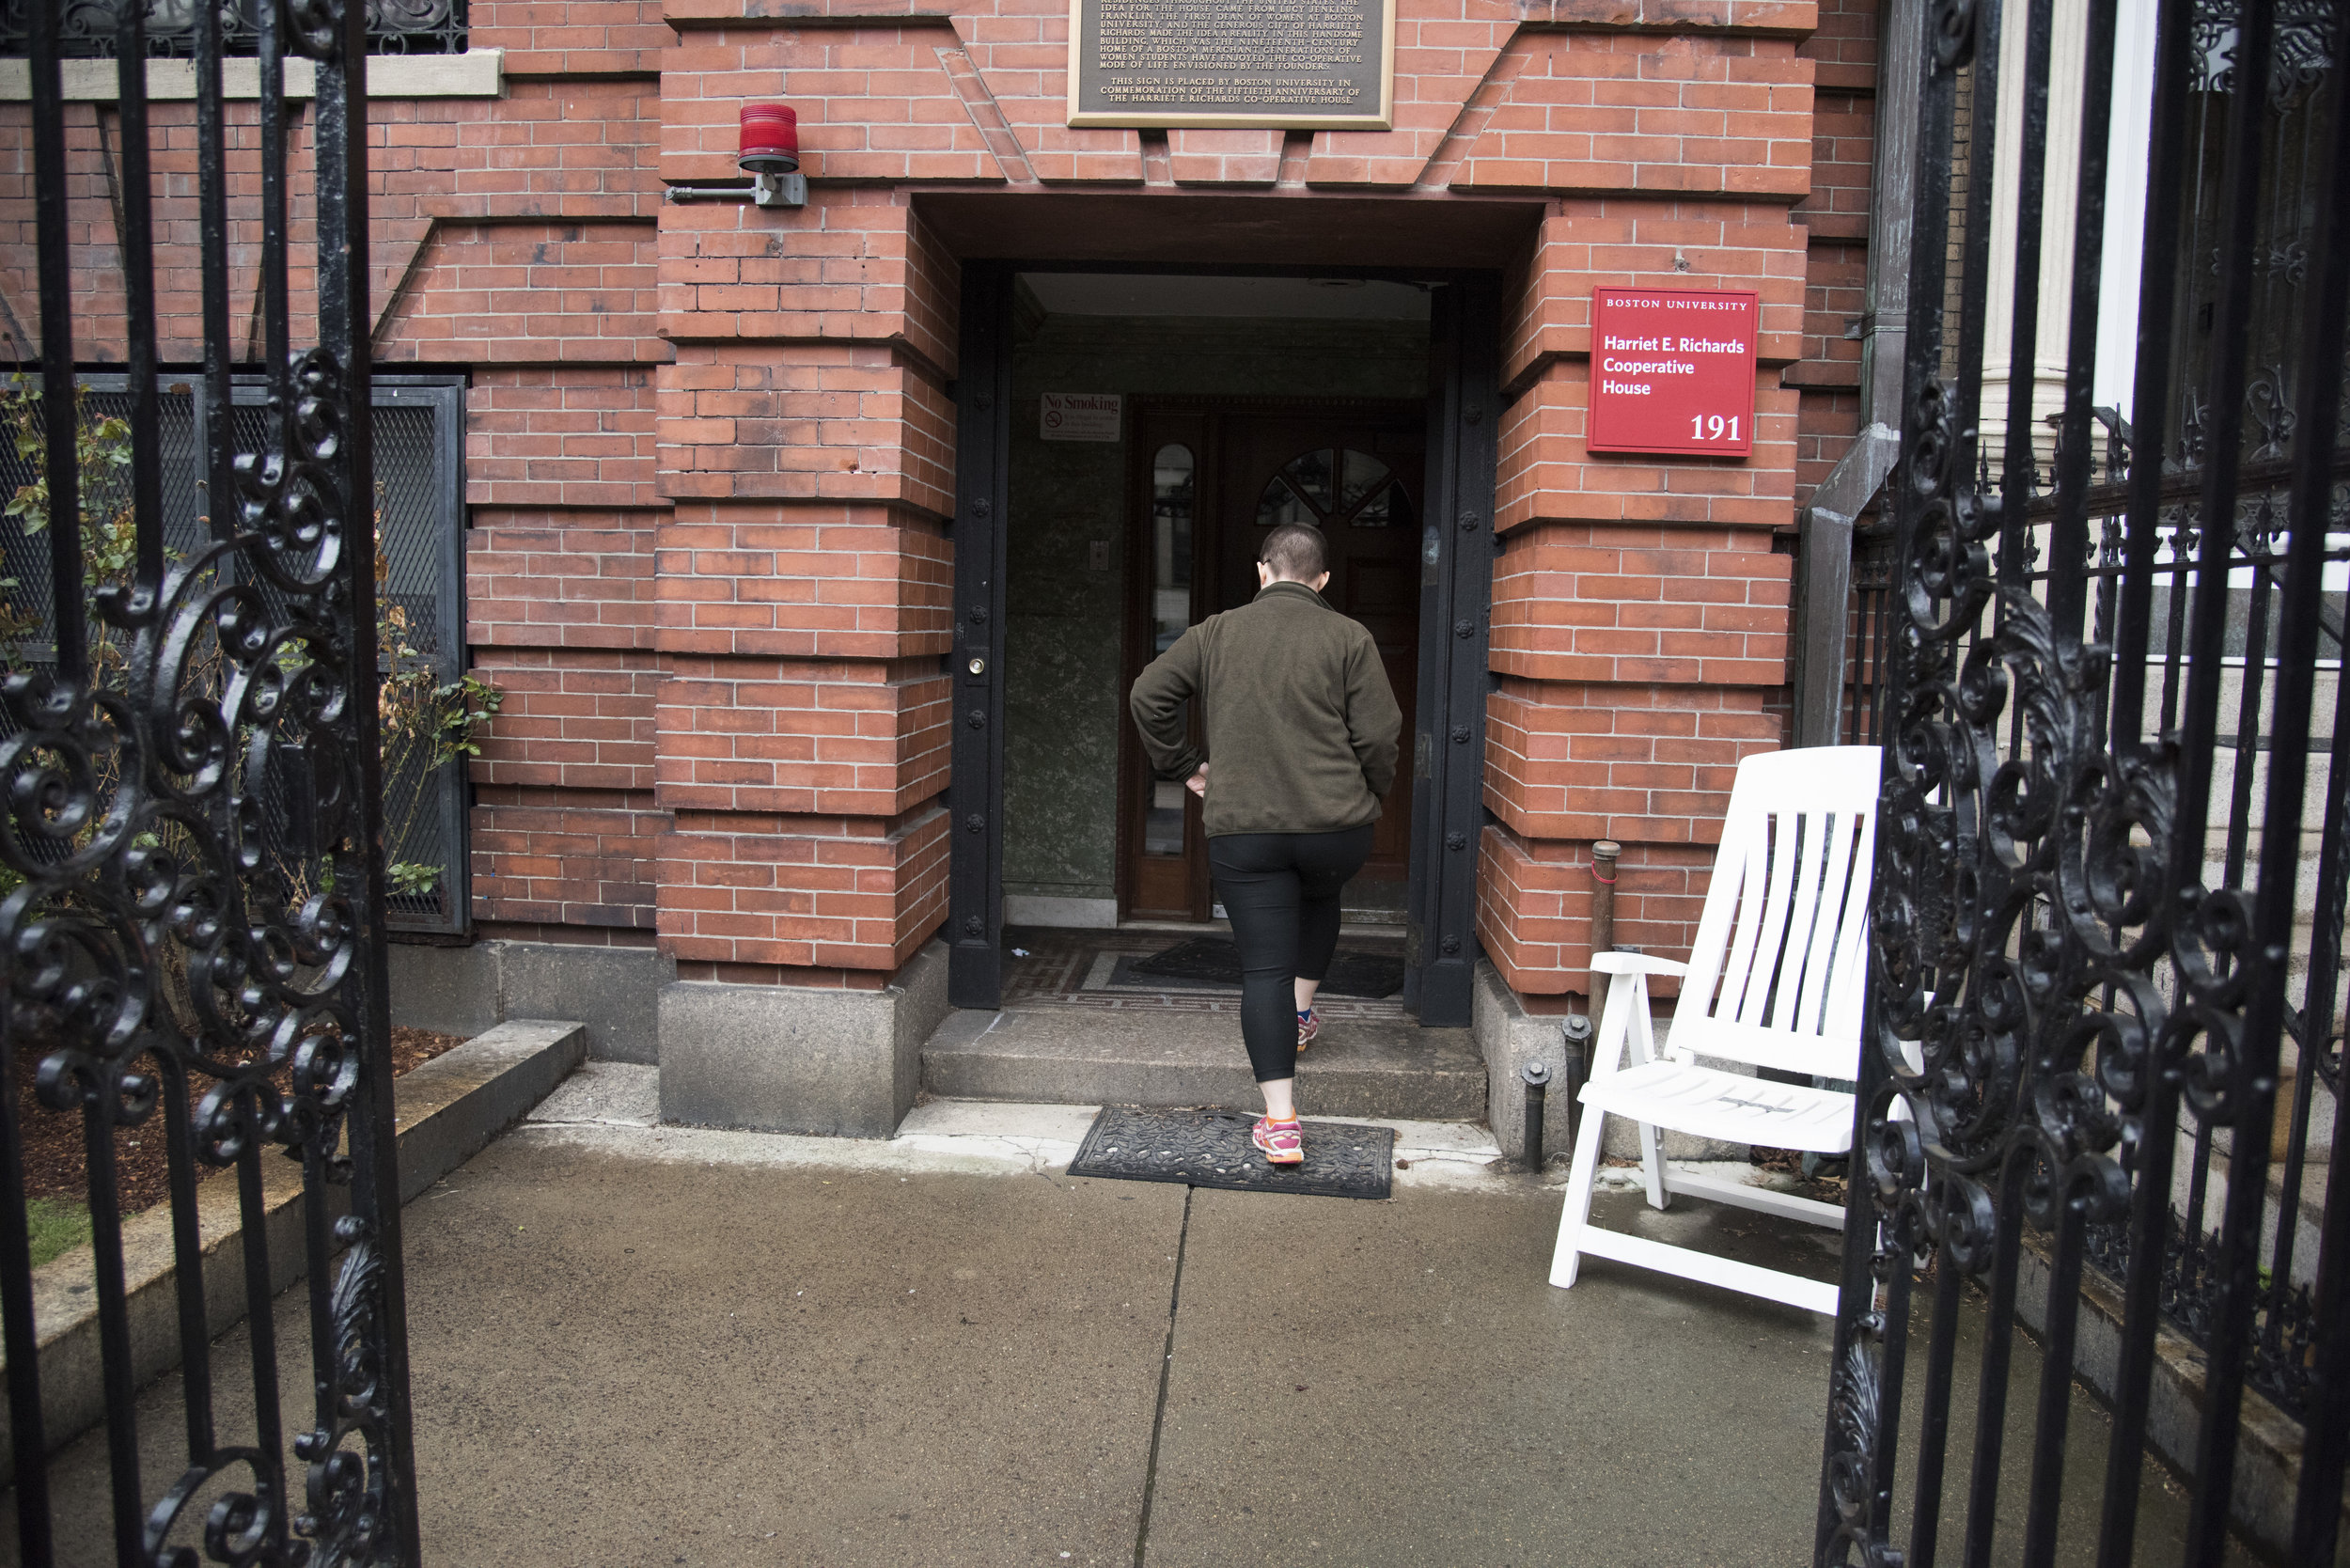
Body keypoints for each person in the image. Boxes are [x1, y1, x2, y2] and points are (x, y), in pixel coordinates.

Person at [1128, 521, 1402, 1166]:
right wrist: (1371, 795)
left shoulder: (1217, 631)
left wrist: (1186, 767)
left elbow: (1149, 694)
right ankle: (1302, 1017)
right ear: (1323, 580)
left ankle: (1281, 1123)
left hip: (1245, 831)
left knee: (1263, 972)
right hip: (1336, 828)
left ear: (1262, 571)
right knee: (1321, 891)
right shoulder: (1349, 637)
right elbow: (1381, 734)